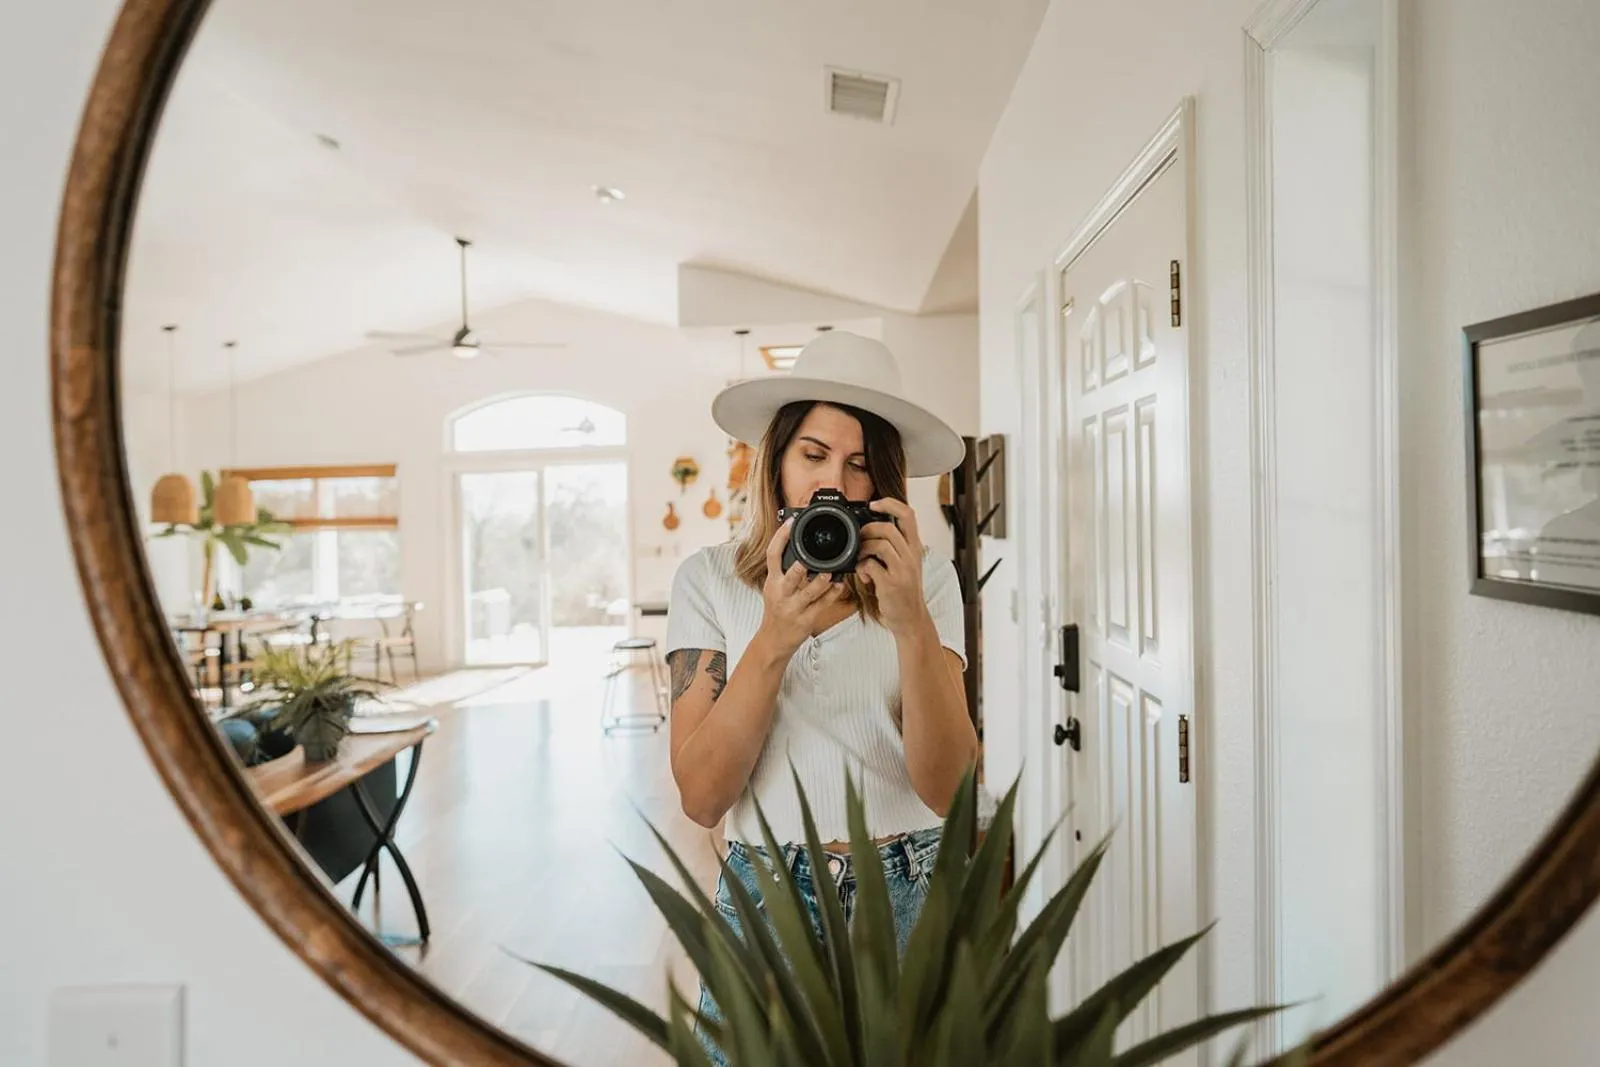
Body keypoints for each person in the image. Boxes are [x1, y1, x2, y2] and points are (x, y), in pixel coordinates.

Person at [663, 330, 978, 1058]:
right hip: (764, 889)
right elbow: (703, 797)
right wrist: (773, 636)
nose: (832, 482)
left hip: (908, 885)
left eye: (860, 464)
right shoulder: (708, 580)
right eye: (813, 454)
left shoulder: (925, 581)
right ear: (775, 460)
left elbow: (950, 786)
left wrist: (910, 624)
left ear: (884, 483)